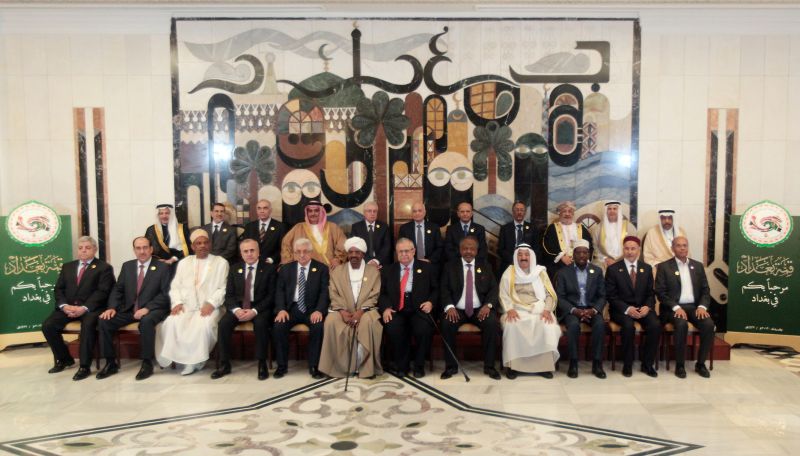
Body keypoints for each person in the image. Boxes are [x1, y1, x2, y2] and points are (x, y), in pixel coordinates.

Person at [96, 237, 171, 381]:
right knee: (104, 321)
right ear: (134, 250)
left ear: (151, 249)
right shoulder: (127, 266)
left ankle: (147, 363)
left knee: (146, 321)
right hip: (129, 309)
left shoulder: (163, 267)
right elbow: (118, 289)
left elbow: (166, 293)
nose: (142, 251)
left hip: (153, 310)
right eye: (138, 248)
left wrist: (147, 308)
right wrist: (112, 307)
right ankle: (111, 363)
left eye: (145, 247)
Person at [156, 229, 229, 375]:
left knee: (203, 325)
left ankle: (196, 361)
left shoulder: (221, 262)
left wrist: (211, 303)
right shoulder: (184, 263)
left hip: (212, 307)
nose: (202, 246)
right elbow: (175, 286)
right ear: (192, 246)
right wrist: (177, 303)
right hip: (187, 305)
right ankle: (182, 360)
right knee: (172, 322)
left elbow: (223, 287)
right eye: (198, 243)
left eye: (205, 242)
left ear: (210, 244)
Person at [42, 236, 115, 380]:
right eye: (80, 248)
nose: (83, 251)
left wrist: (84, 308)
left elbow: (103, 291)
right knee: (48, 326)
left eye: (87, 248)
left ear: (95, 249)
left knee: (87, 326)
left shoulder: (104, 268)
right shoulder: (67, 266)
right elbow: (59, 289)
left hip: (91, 309)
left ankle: (84, 366)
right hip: (68, 308)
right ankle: (65, 359)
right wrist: (64, 306)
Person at [211, 239, 277, 380]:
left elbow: (271, 296)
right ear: (241, 253)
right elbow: (229, 295)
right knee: (223, 324)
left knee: (261, 324)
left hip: (260, 308)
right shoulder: (234, 269)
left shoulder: (269, 269)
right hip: (239, 307)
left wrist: (254, 311)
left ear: (258, 252)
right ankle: (224, 364)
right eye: (245, 251)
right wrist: (236, 310)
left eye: (252, 250)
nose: (249, 254)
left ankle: (262, 364)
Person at [319, 237, 383, 378]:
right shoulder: (337, 271)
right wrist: (342, 311)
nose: (354, 255)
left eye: (357, 252)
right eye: (351, 252)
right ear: (347, 254)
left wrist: (360, 312)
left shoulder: (373, 272)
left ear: (363, 254)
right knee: (331, 321)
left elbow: (374, 295)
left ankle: (365, 368)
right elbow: (333, 293)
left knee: (368, 323)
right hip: (342, 310)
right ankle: (337, 367)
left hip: (366, 310)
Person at [439, 236, 501, 380]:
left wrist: (488, 305)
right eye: (465, 248)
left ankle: (489, 366)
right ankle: (451, 366)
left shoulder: (485, 266)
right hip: (457, 310)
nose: (468, 251)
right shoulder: (450, 266)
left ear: (476, 251)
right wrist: (449, 307)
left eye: (471, 249)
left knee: (492, 323)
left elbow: (493, 289)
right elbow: (444, 289)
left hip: (480, 309)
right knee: (447, 323)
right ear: (460, 250)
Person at [655, 236, 715, 379]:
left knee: (708, 324)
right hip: (672, 308)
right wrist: (676, 307)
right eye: (678, 245)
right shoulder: (664, 267)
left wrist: (702, 307)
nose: (682, 248)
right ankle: (680, 365)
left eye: (685, 245)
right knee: (681, 324)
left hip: (694, 307)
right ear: (672, 248)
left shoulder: (697, 266)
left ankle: (700, 364)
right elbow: (660, 293)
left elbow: (705, 290)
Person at [498, 244, 560, 379]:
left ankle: (544, 367)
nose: (523, 257)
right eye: (520, 255)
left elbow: (550, 294)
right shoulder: (509, 273)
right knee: (512, 325)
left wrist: (547, 310)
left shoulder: (540, 273)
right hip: (516, 309)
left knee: (547, 325)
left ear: (531, 257)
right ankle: (513, 367)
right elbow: (503, 294)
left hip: (539, 309)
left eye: (526, 255)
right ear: (516, 257)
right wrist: (509, 309)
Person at [379, 238, 437, 378]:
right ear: (396, 253)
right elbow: (382, 293)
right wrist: (386, 308)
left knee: (424, 329)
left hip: (419, 308)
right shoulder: (388, 270)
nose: (404, 254)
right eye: (400, 251)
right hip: (396, 308)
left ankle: (419, 366)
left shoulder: (426, 268)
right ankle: (402, 366)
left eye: (407, 251)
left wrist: (430, 302)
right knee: (393, 328)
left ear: (413, 251)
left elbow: (436, 289)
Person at [272, 238, 329, 379]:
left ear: (311, 252)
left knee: (318, 327)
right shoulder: (286, 269)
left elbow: (325, 292)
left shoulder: (321, 268)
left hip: (312, 310)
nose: (302, 255)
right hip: (291, 309)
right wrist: (281, 309)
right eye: (298, 252)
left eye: (305, 251)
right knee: (279, 326)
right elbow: (279, 291)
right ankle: (281, 366)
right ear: (294, 253)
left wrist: (319, 310)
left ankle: (314, 366)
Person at [605, 235, 660, 378]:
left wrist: (648, 306)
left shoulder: (646, 268)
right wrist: (627, 309)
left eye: (633, 249)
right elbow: (611, 296)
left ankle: (647, 364)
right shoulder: (613, 269)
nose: (630, 252)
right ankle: (627, 364)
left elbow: (650, 293)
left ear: (639, 250)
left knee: (655, 325)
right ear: (623, 250)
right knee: (628, 326)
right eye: (627, 249)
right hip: (621, 310)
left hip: (642, 308)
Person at [555, 239, 607, 379]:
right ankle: (573, 363)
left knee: (600, 325)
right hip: (572, 310)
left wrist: (594, 310)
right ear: (573, 254)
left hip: (591, 309)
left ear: (589, 254)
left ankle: (597, 364)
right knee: (573, 326)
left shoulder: (597, 271)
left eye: (585, 252)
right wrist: (574, 310)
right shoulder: (563, 272)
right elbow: (560, 297)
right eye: (579, 252)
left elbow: (602, 296)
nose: (582, 255)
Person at [281, 200, 346, 268]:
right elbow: (286, 244)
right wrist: (288, 263)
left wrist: (338, 259)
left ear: (321, 212)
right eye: (310, 211)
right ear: (307, 213)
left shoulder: (333, 227)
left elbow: (343, 244)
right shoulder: (298, 227)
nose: (313, 213)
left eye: (316, 211)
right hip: (304, 269)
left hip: (330, 268)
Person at [541, 201, 593, 279]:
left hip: (579, 263)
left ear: (573, 214)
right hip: (559, 264)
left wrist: (580, 258)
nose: (567, 214)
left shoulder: (581, 228)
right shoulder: (552, 228)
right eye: (564, 211)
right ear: (559, 213)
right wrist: (562, 257)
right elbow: (547, 246)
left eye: (570, 211)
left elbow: (589, 246)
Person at [592, 201, 636, 271]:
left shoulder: (629, 227)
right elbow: (595, 246)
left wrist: (621, 260)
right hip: (604, 261)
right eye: (609, 209)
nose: (612, 211)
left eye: (614, 209)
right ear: (606, 211)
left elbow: (635, 247)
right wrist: (605, 258)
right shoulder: (598, 228)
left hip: (625, 260)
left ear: (619, 211)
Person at [241, 199, 286, 265]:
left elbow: (284, 248)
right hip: (252, 263)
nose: (262, 211)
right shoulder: (249, 226)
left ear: (270, 210)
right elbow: (244, 246)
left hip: (271, 264)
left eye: (265, 208)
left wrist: (272, 259)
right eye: (259, 208)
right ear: (256, 210)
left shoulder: (280, 227)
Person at [398, 202, 444, 267]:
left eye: (420, 211)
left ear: (425, 212)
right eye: (414, 211)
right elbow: (401, 247)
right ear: (411, 214)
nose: (417, 213)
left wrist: (429, 260)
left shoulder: (434, 227)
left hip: (431, 263)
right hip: (410, 264)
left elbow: (439, 247)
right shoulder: (404, 228)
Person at [498, 201, 538, 276]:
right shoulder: (505, 229)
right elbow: (500, 249)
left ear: (525, 212)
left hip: (528, 265)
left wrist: (527, 260)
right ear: (513, 212)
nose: (519, 212)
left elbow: (536, 248)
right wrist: (514, 260)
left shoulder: (533, 228)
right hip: (509, 264)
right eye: (517, 210)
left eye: (522, 210)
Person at [350, 201, 392, 268]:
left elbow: (387, 247)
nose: (372, 213)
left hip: (381, 263)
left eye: (375, 211)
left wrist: (376, 261)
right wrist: (369, 261)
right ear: (364, 213)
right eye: (369, 211)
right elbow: (355, 247)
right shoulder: (356, 227)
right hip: (363, 263)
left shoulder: (384, 227)